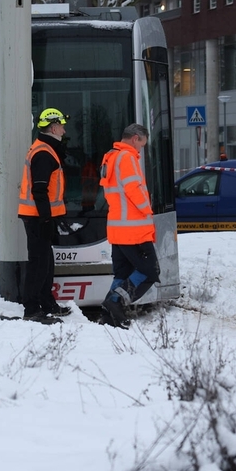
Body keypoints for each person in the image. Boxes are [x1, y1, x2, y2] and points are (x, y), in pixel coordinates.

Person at [99, 123, 161, 328]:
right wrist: (147, 209)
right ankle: (115, 302)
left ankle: (109, 315)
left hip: (118, 228)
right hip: (134, 230)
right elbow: (134, 188)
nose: (140, 149)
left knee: (123, 273)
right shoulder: (127, 157)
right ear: (135, 138)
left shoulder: (111, 157)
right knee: (150, 271)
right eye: (141, 144)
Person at [17, 107, 73, 323]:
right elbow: (39, 191)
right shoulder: (43, 153)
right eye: (61, 125)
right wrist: (46, 219)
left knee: (46, 261)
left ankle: (46, 302)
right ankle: (31, 309)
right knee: (39, 263)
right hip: (37, 217)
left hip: (39, 215)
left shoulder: (46, 149)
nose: (64, 129)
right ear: (53, 127)